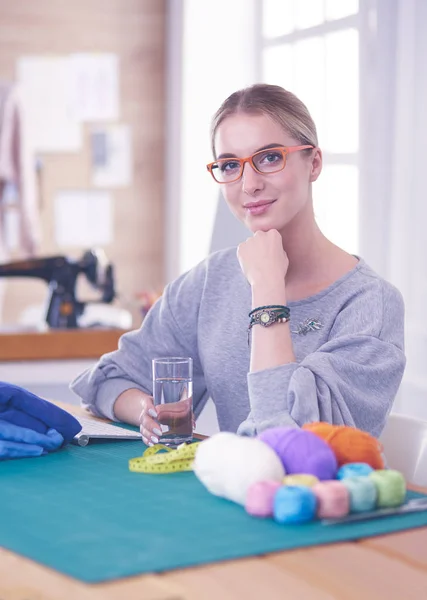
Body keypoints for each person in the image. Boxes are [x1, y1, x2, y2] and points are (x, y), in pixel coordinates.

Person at [71, 84, 406, 444]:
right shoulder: (210, 281)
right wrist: (146, 412)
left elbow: (287, 440)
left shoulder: (370, 305)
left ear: (315, 163)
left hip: (319, 496)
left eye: (270, 157)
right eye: (230, 165)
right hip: (234, 493)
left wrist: (267, 292)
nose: (249, 184)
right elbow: (107, 378)